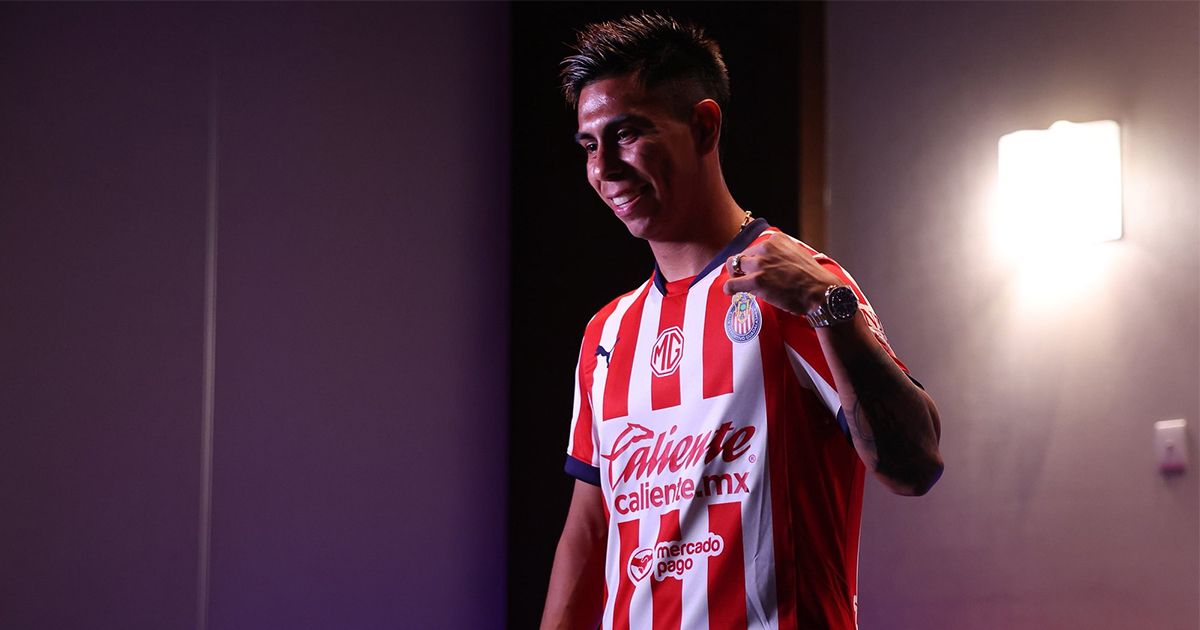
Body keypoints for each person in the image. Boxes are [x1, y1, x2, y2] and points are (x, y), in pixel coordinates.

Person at [540, 13, 943, 630]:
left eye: (627, 134)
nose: (604, 169)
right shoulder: (608, 332)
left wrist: (828, 306)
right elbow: (589, 531)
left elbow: (914, 468)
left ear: (704, 127)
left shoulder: (803, 284)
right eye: (590, 145)